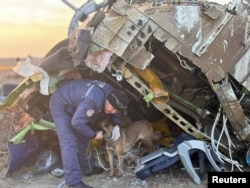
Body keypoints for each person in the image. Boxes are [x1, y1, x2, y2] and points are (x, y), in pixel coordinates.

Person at [50, 79, 129, 188]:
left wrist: (116, 124)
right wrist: (94, 135)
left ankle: (87, 168)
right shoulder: (93, 101)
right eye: (113, 108)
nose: (114, 112)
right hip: (61, 103)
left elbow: (116, 107)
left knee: (83, 136)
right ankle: (74, 182)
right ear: (107, 101)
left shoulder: (113, 93)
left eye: (117, 110)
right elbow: (77, 123)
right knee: (69, 142)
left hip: (77, 100)